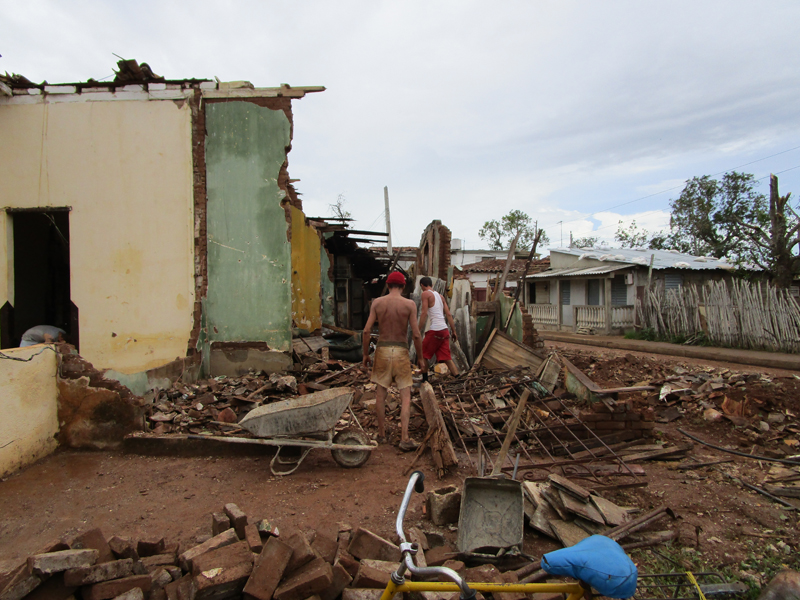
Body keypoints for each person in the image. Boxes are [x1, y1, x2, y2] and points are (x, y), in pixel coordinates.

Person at [362, 271, 426, 452]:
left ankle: (381, 435)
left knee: (380, 393)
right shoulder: (409, 304)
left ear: (388, 285)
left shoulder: (377, 303)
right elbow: (415, 334)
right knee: (405, 395)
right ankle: (404, 438)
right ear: (403, 287)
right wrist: (420, 358)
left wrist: (366, 354)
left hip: (382, 350)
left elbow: (366, 331)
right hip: (401, 351)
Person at [418, 276, 460, 376]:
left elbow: (424, 313)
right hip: (444, 330)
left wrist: (417, 329)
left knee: (423, 355)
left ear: (422, 285)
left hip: (435, 330)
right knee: (447, 358)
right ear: (432, 285)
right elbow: (448, 314)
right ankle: (459, 379)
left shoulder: (425, 294)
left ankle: (424, 381)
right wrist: (454, 331)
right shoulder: (440, 296)